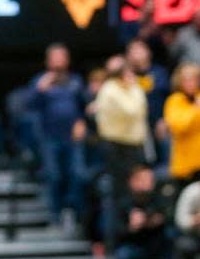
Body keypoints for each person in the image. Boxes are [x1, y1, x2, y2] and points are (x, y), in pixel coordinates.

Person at [29, 44, 85, 232]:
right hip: (49, 137)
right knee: (54, 175)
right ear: (48, 60)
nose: (59, 60)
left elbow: (83, 107)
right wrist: (40, 90)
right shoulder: (40, 82)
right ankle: (55, 215)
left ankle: (72, 211)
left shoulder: (75, 82)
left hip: (72, 138)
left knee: (77, 174)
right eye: (55, 57)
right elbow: (29, 106)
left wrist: (81, 122)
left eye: (62, 56)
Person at [92, 55, 149, 205]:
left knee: (134, 187)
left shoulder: (128, 88)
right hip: (116, 145)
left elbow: (141, 111)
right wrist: (136, 88)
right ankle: (117, 224)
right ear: (122, 74)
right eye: (130, 73)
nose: (133, 77)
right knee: (119, 188)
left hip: (132, 144)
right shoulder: (110, 89)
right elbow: (133, 110)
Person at [114, 164, 176, 259]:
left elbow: (170, 217)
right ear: (133, 181)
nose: (150, 183)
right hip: (135, 245)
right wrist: (131, 227)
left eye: (150, 179)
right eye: (145, 179)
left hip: (155, 243)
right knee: (124, 253)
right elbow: (114, 232)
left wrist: (155, 221)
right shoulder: (122, 202)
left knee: (171, 235)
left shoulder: (159, 198)